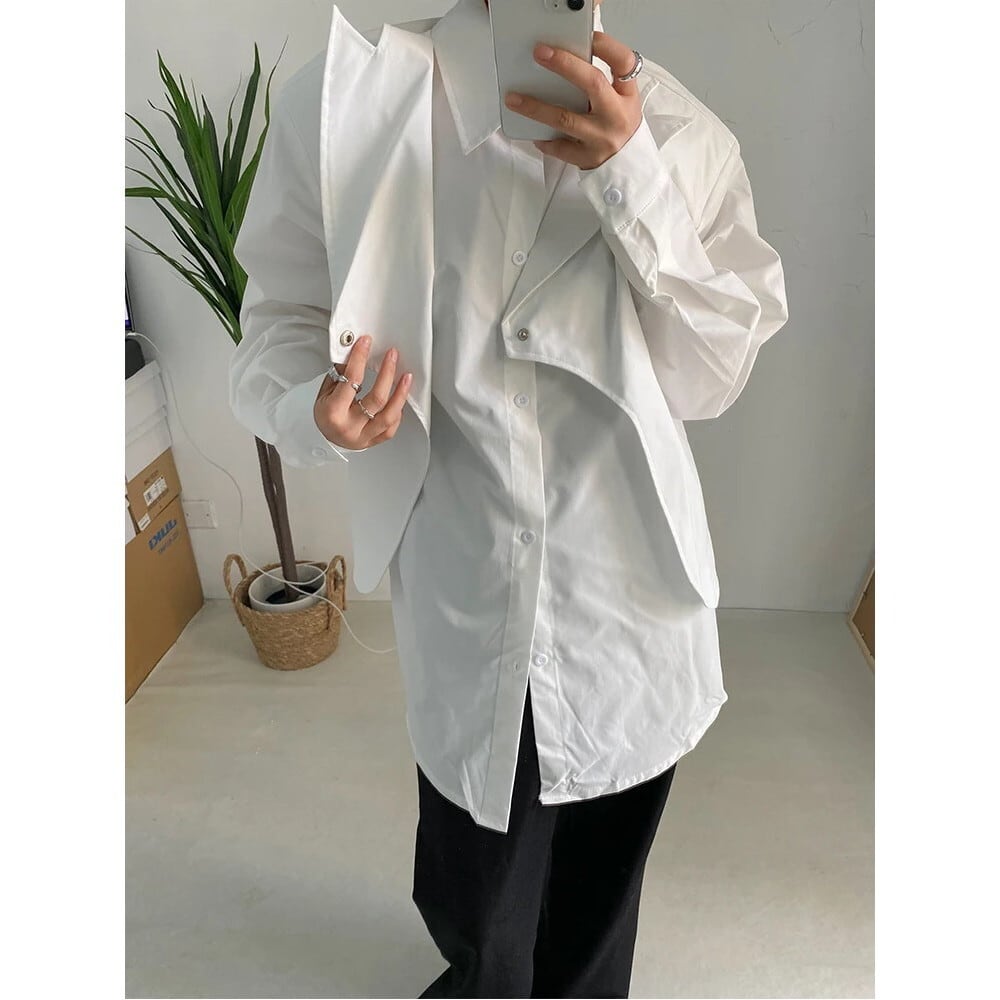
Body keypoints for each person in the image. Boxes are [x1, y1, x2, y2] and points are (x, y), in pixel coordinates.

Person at [230, 0, 788, 995]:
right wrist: (315, 409)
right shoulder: (342, 105)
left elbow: (713, 373)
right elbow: (277, 319)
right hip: (468, 581)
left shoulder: (674, 131)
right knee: (476, 900)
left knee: (599, 900)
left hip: (627, 593)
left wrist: (632, 178)